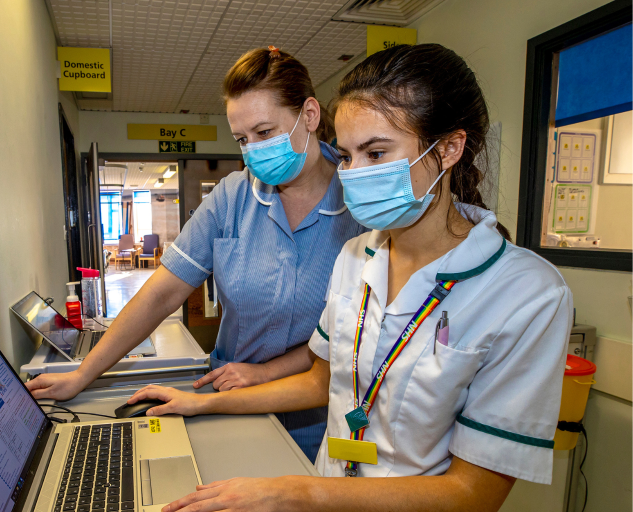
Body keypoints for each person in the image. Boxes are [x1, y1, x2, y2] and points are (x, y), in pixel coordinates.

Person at [125, 44, 573, 512]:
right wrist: (201, 403)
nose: (354, 174)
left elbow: (472, 494)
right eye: (347, 155)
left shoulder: (529, 295)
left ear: (448, 149)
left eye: (376, 153)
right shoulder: (357, 255)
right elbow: (321, 383)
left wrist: (290, 491)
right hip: (327, 484)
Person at [25, 46, 367, 462]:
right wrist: (82, 374)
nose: (253, 150)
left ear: (309, 116)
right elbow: (161, 294)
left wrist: (264, 373)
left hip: (318, 412)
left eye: (265, 132)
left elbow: (352, 335)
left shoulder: (363, 205)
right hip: (228, 395)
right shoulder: (231, 199)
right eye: (242, 139)